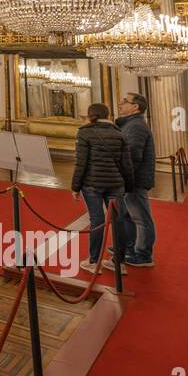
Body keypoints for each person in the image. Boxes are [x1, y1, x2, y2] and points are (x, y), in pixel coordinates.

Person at [71, 103, 135, 273]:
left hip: (92, 184)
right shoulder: (119, 134)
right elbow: (127, 165)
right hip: (115, 183)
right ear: (107, 115)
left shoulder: (85, 133)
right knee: (118, 220)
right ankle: (118, 262)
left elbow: (81, 163)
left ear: (91, 115)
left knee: (97, 220)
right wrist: (127, 185)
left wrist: (75, 187)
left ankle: (94, 262)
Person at [115, 93, 157, 267]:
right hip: (131, 178)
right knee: (128, 215)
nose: (121, 103)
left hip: (135, 179)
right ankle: (130, 247)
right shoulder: (130, 124)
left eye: (125, 101)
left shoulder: (136, 126)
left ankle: (143, 254)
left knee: (140, 217)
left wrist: (124, 178)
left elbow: (132, 155)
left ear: (135, 107)